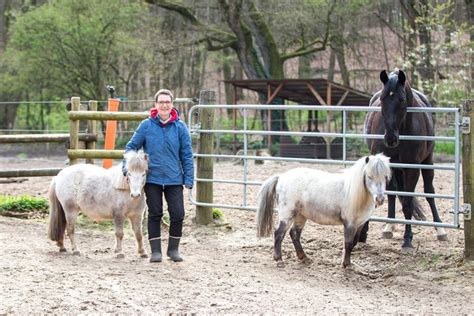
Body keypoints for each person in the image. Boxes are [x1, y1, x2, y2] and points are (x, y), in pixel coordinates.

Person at [123, 89, 194, 262]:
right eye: (161, 102)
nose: (164, 105)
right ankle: (156, 252)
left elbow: (187, 154)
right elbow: (131, 147)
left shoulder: (180, 127)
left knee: (178, 214)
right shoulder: (146, 126)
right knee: (155, 213)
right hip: (152, 178)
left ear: (172, 105)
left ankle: (173, 250)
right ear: (155, 105)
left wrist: (189, 178)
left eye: (167, 102)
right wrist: (127, 169)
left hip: (174, 178)